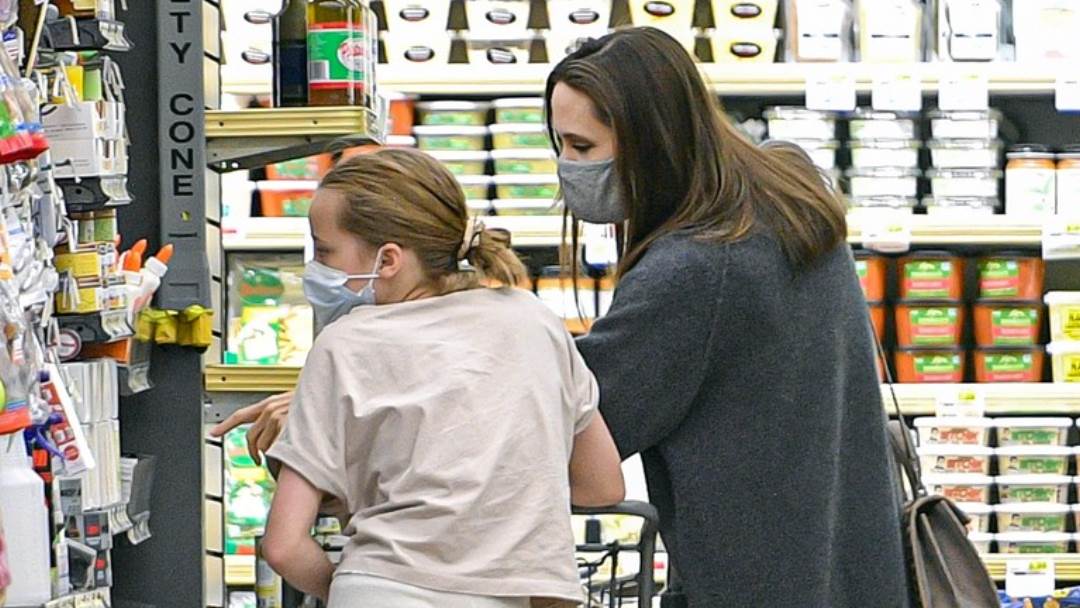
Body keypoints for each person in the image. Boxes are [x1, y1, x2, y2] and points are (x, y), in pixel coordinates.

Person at [216, 26, 909, 608]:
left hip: (754, 581)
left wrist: (340, 408)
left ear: (653, 143)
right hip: (851, 562)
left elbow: (538, 424)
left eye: (581, 148)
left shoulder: (699, 268)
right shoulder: (785, 194)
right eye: (558, 145)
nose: (565, 168)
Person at [254, 148, 624, 607]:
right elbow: (602, 485)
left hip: (382, 589)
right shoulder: (535, 321)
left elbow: (284, 545)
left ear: (388, 260)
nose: (317, 268)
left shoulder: (345, 343)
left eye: (325, 252)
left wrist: (349, 591)